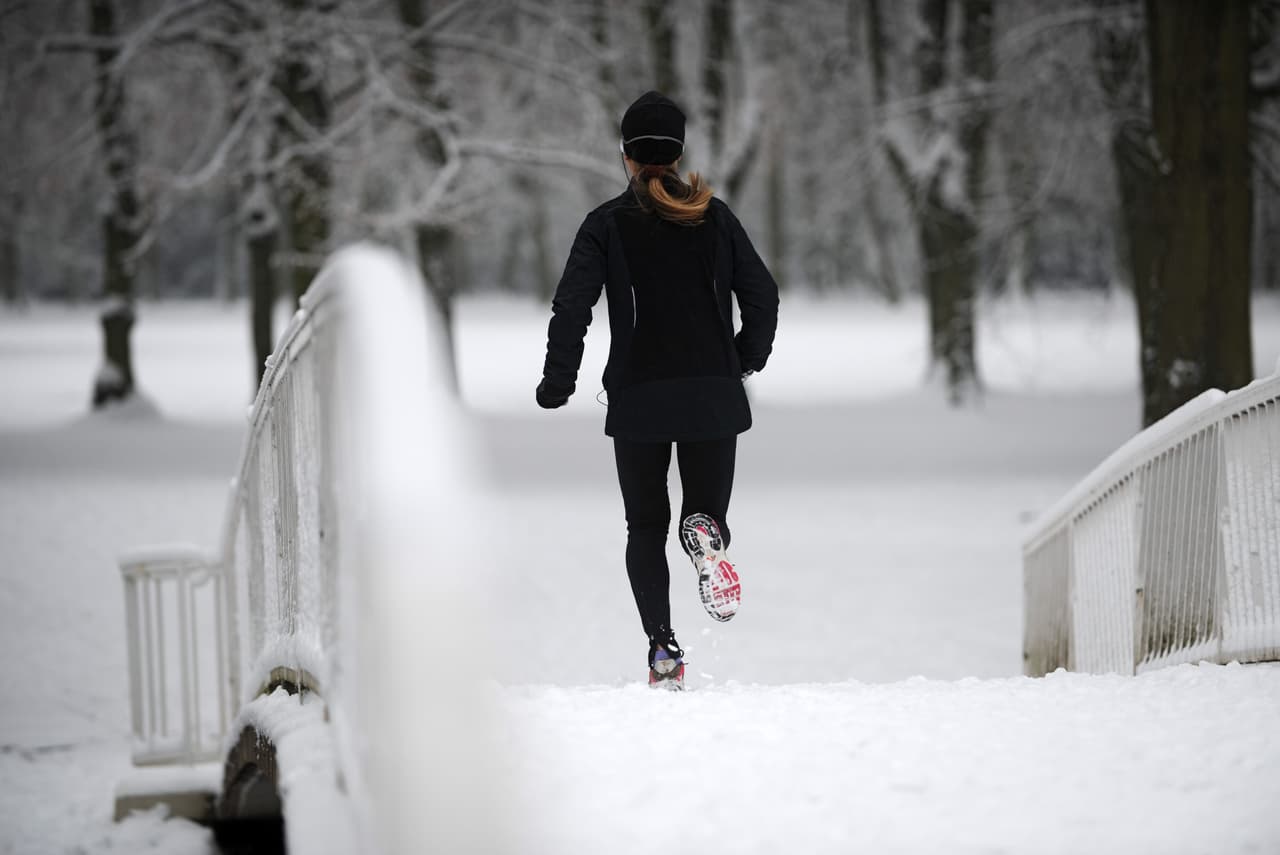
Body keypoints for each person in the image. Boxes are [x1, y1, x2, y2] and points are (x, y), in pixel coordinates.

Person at [536, 91, 779, 689]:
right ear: (677, 153)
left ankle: (663, 651)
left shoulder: (606, 225)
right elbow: (763, 296)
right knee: (704, 512)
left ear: (626, 156)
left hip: (640, 399)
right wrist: (741, 359)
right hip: (712, 395)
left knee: (644, 526)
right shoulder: (715, 216)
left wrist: (559, 379)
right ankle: (705, 535)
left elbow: (573, 306)